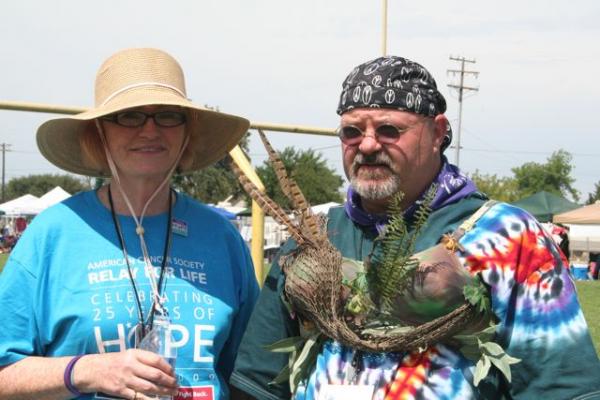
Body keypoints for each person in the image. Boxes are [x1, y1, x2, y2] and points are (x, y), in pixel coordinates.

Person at [230, 56, 600, 399]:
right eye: (351, 132)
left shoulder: (505, 236)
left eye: (389, 129)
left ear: (438, 132)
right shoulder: (310, 237)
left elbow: (562, 387)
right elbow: (258, 383)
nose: (368, 144)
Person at [0, 48, 259, 400]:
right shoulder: (53, 234)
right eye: (128, 115)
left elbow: (251, 374)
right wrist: (87, 370)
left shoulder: (221, 238)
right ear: (99, 132)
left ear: (187, 132)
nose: (150, 129)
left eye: (168, 116)